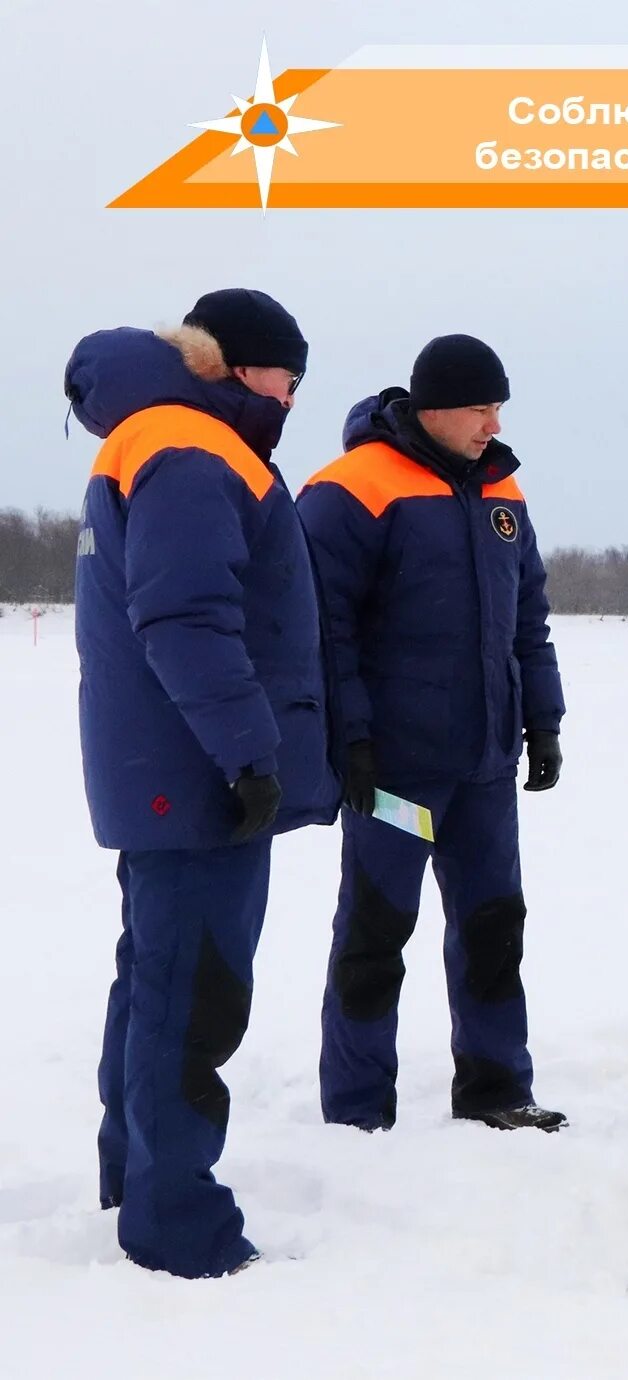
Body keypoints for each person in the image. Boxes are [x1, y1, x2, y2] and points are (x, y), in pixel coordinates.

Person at [66, 288, 340, 1278]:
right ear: (229, 367)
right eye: (283, 376)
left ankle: (133, 1180)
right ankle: (176, 1224)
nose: (293, 397)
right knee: (193, 996)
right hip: (196, 777)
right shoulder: (190, 446)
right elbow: (185, 618)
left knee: (157, 980)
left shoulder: (155, 440)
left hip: (163, 772)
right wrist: (251, 756)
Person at [297, 334, 567, 1134]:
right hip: (393, 772)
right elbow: (322, 631)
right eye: (480, 407)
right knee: (376, 934)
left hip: (485, 766)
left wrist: (543, 722)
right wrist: (349, 740)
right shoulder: (351, 488)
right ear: (434, 407)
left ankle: (496, 1090)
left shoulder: (501, 489)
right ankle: (356, 1111)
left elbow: (529, 620)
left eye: (498, 407)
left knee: (492, 931)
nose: (493, 422)